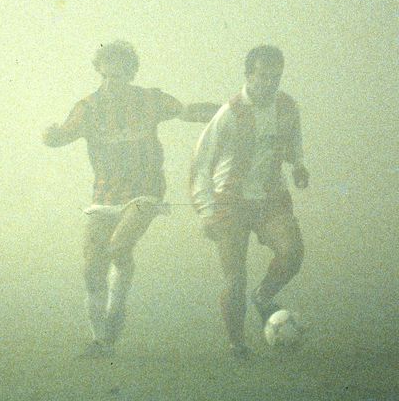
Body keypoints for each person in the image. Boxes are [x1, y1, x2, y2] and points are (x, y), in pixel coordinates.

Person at [42, 40, 219, 358]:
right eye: (109, 76)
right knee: (91, 265)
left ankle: (116, 315)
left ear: (132, 73)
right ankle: (100, 340)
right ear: (99, 71)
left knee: (120, 246)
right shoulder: (87, 108)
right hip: (105, 192)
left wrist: (225, 112)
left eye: (122, 76)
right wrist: (50, 136)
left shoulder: (149, 99)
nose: (115, 84)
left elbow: (186, 111)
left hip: (145, 190)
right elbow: (61, 136)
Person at [190, 45, 309, 360]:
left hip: (271, 198)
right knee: (235, 276)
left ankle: (264, 296)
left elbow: (293, 140)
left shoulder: (287, 107)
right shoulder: (230, 113)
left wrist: (298, 165)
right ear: (248, 75)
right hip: (231, 201)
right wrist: (206, 212)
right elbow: (201, 165)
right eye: (263, 76)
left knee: (293, 254)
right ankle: (237, 345)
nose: (269, 83)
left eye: (276, 77)